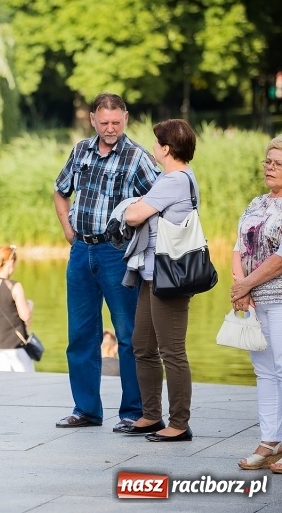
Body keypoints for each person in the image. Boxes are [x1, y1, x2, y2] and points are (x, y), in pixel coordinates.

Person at [53, 92, 159, 431]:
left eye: (116, 121)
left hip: (118, 254)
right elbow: (60, 190)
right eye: (104, 122)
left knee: (129, 334)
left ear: (126, 118)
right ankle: (86, 410)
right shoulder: (81, 150)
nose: (110, 128)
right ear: (93, 120)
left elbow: (160, 200)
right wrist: (69, 231)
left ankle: (133, 413)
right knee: (81, 334)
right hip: (80, 252)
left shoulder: (137, 158)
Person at [121, 119, 200, 442]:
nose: (153, 147)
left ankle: (179, 423)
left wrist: (134, 206)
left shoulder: (174, 180)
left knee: (172, 351)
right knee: (143, 345)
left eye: (156, 143)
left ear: (166, 149)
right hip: (153, 274)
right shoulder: (173, 178)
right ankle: (151, 415)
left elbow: (133, 215)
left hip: (170, 277)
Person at [230, 135, 282, 471]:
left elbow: (280, 258)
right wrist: (240, 287)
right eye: (269, 162)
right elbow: (238, 246)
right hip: (254, 299)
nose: (271, 168)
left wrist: (247, 282)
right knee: (264, 372)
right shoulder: (255, 203)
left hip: (279, 297)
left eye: (279, 164)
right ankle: (269, 441)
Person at [0, 245, 35, 372]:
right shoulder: (15, 286)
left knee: (4, 384)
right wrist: (30, 305)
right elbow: (25, 315)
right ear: (10, 262)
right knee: (26, 384)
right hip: (16, 346)